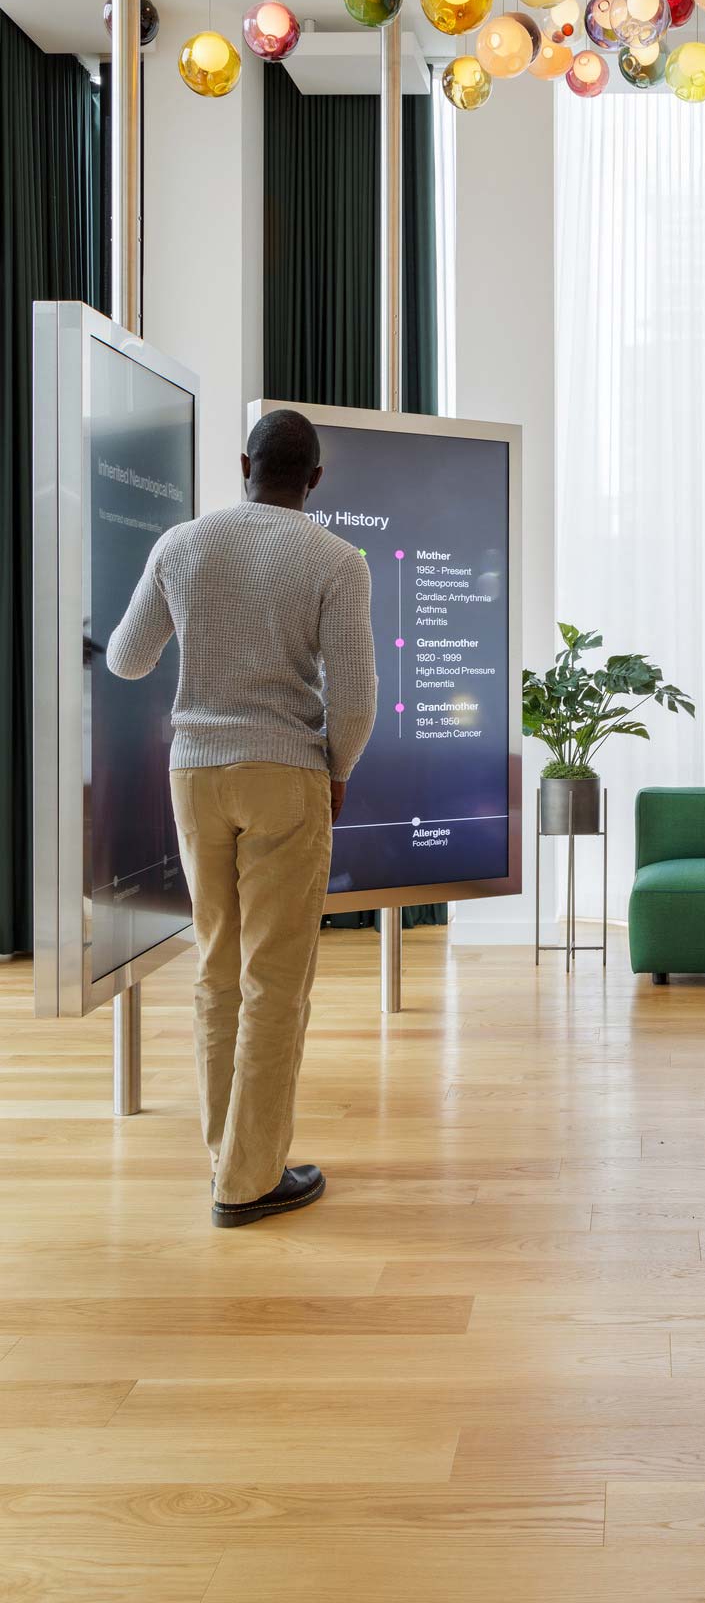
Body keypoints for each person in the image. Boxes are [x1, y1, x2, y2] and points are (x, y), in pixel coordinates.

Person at [107, 410, 377, 1227]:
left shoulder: (181, 544)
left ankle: (227, 1156)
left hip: (195, 775)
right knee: (275, 980)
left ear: (242, 465)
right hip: (286, 775)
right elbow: (354, 699)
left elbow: (127, 658)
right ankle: (249, 1179)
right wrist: (337, 770)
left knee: (217, 968)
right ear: (315, 479)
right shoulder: (337, 559)